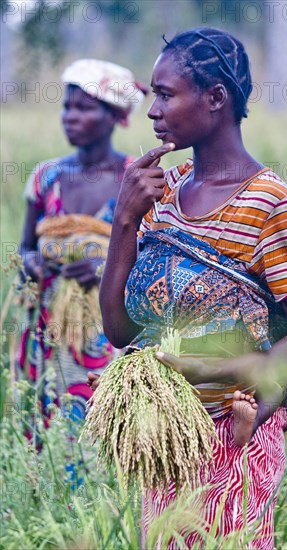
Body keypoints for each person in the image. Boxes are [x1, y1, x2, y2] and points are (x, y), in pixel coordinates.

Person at [97, 28, 287, 548]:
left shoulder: (269, 204)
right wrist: (123, 220)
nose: (152, 111)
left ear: (215, 99)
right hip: (168, 442)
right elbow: (120, 331)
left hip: (236, 443)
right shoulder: (162, 194)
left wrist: (232, 368)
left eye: (166, 94)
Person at [19, 59, 147, 425]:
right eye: (67, 106)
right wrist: (31, 263)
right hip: (48, 329)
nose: (70, 117)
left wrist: (104, 270)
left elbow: (154, 256)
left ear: (114, 116)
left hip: (109, 331)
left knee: (103, 423)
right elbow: (25, 246)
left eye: (85, 108)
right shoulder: (47, 177)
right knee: (46, 424)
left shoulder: (135, 179)